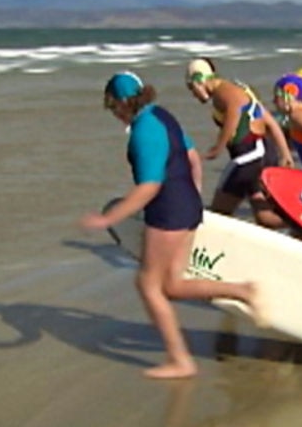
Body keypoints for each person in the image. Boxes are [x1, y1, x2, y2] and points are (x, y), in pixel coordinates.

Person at [80, 71, 267, 379]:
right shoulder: (163, 116)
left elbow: (149, 186)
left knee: (148, 285)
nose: (113, 113)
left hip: (167, 211)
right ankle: (243, 290)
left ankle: (180, 359)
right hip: (187, 206)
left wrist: (107, 219)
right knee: (172, 285)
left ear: (121, 104)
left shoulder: (143, 130)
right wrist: (192, 196)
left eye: (112, 107)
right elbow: (192, 158)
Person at [185, 58, 294, 227]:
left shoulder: (224, 91)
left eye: (192, 89)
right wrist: (285, 153)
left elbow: (234, 112)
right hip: (263, 152)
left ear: (200, 80)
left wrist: (217, 148)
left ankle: (204, 247)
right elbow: (270, 122)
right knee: (264, 217)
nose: (193, 95)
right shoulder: (239, 89)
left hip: (249, 156)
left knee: (218, 214)